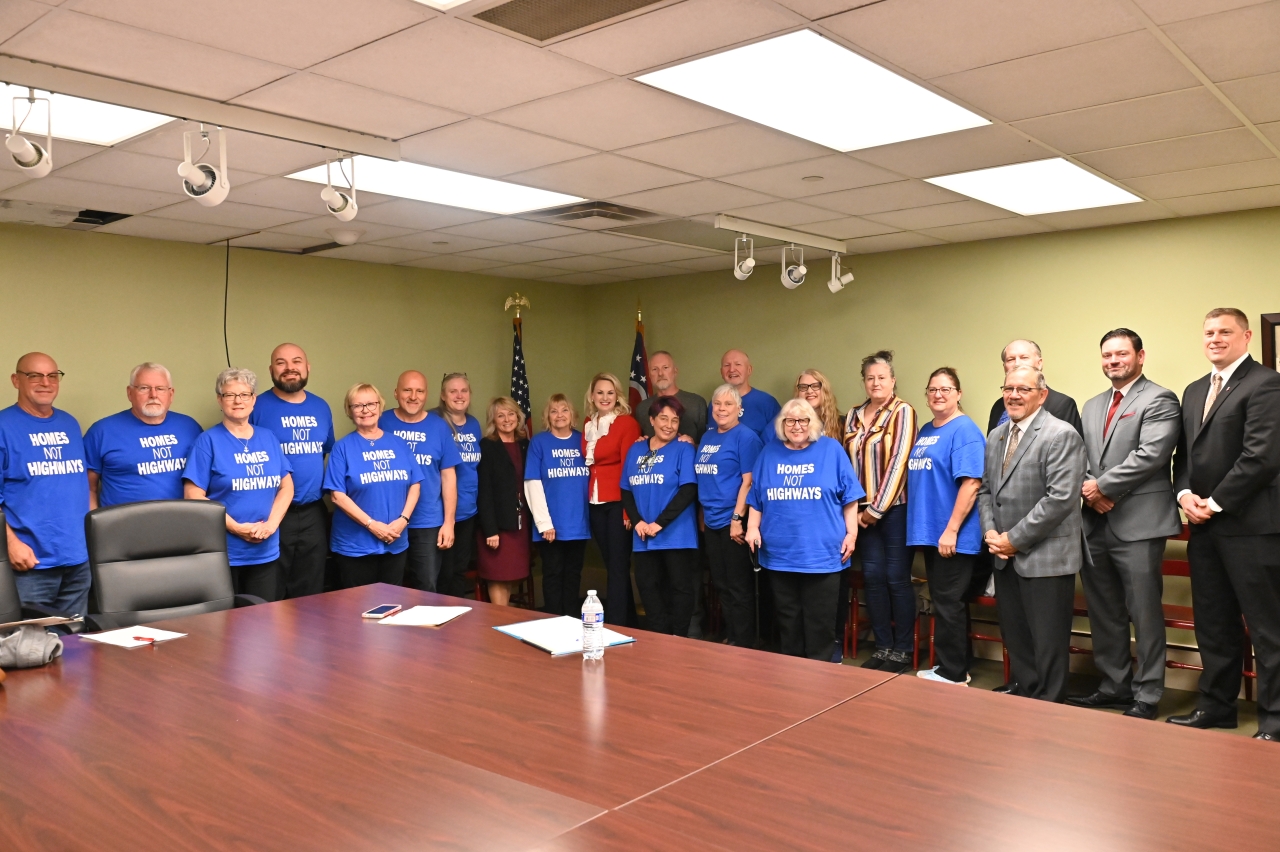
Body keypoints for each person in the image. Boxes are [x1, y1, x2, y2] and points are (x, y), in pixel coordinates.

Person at [1168, 308, 1280, 738]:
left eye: (1225, 332)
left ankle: (1274, 721)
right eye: (1209, 332)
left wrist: (1212, 503)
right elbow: (1184, 458)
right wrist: (1183, 496)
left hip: (1253, 530)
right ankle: (1216, 708)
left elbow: (1261, 458)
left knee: (1268, 630)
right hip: (1204, 530)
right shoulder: (1196, 390)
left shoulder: (1266, 383)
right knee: (1214, 625)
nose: (1215, 338)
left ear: (1246, 336)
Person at [1068, 329, 1180, 720]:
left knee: (1144, 613)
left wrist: (1101, 486)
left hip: (1138, 524)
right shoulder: (1093, 404)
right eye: (1107, 355)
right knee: (1105, 611)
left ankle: (1147, 694)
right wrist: (1089, 490)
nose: (1113, 361)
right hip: (1095, 522)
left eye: (1121, 354)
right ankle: (1113, 686)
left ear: (1140, 356)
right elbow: (1079, 453)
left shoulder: (1160, 398)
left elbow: (1152, 454)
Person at [978, 365, 1087, 703]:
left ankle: (1051, 706)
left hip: (1046, 556)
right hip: (1004, 555)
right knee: (1017, 636)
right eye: (1009, 388)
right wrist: (992, 533)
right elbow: (985, 491)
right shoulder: (996, 437)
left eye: (1023, 389)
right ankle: (1026, 696)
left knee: (1048, 640)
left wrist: (1014, 540)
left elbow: (1060, 500)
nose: (1014, 395)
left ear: (1041, 395)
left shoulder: (1061, 433)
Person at [746, 398, 863, 660]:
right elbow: (756, 498)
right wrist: (752, 527)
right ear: (782, 424)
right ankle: (791, 681)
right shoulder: (769, 453)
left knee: (819, 623)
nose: (796, 426)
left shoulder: (831, 450)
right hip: (779, 555)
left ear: (812, 423)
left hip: (822, 555)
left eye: (803, 420)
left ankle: (819, 682)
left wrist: (852, 534)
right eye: (790, 420)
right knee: (788, 623)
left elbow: (850, 498)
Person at [184, 368, 294, 601]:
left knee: (262, 619)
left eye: (244, 394)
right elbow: (193, 495)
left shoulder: (268, 438)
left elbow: (287, 487)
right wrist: (237, 528)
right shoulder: (207, 442)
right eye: (229, 395)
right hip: (224, 552)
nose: (237, 401)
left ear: (253, 399)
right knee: (226, 625)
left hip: (265, 549)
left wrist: (271, 525)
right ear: (219, 400)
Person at [906, 368, 985, 686]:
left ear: (959, 393)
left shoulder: (964, 430)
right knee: (943, 600)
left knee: (948, 602)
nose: (938, 394)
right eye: (932, 389)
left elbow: (971, 483)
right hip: (930, 532)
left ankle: (954, 673)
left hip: (953, 535)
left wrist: (951, 529)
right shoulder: (926, 429)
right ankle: (950, 666)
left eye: (946, 389)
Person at [0, 353, 91, 616]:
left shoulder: (69, 423)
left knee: (75, 644)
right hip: (30, 564)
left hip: (77, 558)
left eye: (52, 375)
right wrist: (10, 544)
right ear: (16, 380)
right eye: (35, 375)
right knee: (30, 649)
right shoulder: (4, 426)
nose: (45, 382)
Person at [845, 351, 918, 673]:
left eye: (882, 377)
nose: (876, 383)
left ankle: (902, 650)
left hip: (894, 509)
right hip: (859, 512)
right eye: (870, 378)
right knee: (872, 579)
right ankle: (883, 646)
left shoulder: (903, 411)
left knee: (896, 578)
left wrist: (875, 510)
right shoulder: (852, 415)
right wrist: (854, 511)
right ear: (864, 382)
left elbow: (899, 463)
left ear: (893, 380)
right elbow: (847, 466)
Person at [249, 343, 334, 599]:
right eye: (281, 363)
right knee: (271, 589)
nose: (290, 369)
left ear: (307, 368)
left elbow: (324, 451)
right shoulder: (256, 406)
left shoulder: (321, 407)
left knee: (311, 588)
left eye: (296, 362)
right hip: (271, 513)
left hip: (313, 512)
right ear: (271, 369)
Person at [323, 384, 421, 588]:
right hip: (355, 546)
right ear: (349, 411)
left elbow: (415, 484)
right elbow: (337, 495)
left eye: (370, 404)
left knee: (392, 607)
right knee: (358, 610)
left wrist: (403, 520)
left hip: (395, 541)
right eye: (357, 405)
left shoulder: (399, 444)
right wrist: (372, 525)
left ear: (380, 406)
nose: (365, 410)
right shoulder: (342, 447)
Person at [621, 396, 700, 635]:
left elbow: (688, 490)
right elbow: (626, 489)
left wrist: (659, 523)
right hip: (644, 535)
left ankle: (678, 638)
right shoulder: (636, 449)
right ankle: (658, 638)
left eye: (675, 420)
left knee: (679, 589)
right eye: (663, 418)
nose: (669, 425)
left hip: (676, 534)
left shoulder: (683, 449)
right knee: (647, 588)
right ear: (652, 420)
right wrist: (639, 523)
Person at [379, 370, 460, 592]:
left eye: (420, 391)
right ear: (396, 393)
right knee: (386, 590)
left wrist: (449, 522)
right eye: (407, 390)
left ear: (426, 395)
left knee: (426, 587)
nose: (413, 396)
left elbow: (449, 476)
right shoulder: (380, 421)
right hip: (387, 522)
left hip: (427, 522)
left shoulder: (439, 427)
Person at [696, 384, 763, 647]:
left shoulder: (746, 437)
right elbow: (704, 477)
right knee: (721, 584)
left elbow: (749, 482)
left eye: (728, 404)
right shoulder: (708, 436)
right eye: (717, 404)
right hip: (711, 521)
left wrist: (737, 519)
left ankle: (743, 642)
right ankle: (732, 635)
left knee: (738, 587)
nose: (721, 409)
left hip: (734, 521)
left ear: (739, 409)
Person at [84, 363, 204, 509]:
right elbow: (88, 488)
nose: (153, 395)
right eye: (144, 388)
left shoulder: (190, 427)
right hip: (123, 527)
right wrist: (94, 528)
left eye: (160, 389)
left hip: (182, 524)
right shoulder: (102, 431)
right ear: (129, 393)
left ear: (171, 394)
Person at [793, 368, 847, 659]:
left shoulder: (841, 424)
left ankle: (833, 643)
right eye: (803, 386)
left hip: (834, 518)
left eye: (816, 386)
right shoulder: (788, 425)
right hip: (799, 521)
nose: (809, 391)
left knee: (831, 590)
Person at [583, 372, 642, 626]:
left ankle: (616, 625)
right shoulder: (588, 423)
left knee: (618, 565)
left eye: (610, 392)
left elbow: (631, 468)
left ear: (617, 396)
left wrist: (630, 511)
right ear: (592, 396)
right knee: (611, 564)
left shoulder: (627, 423)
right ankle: (627, 618)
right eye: (600, 392)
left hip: (618, 503)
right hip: (595, 503)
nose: (605, 397)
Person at [525, 394, 590, 616]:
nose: (559, 415)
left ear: (572, 414)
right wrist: (544, 523)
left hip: (579, 525)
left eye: (564, 410)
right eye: (554, 411)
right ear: (547, 416)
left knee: (573, 575)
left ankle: (571, 621)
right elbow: (532, 483)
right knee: (553, 575)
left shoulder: (584, 441)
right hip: (551, 526)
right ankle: (553, 621)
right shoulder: (539, 442)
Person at [429, 373, 483, 599]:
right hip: (439, 512)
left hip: (468, 510)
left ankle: (459, 621)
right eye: (453, 391)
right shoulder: (432, 421)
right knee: (443, 573)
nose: (459, 396)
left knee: (459, 570)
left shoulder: (474, 424)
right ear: (443, 395)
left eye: (464, 391)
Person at [476, 397, 531, 607]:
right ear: (493, 420)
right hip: (497, 524)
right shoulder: (487, 446)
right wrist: (490, 530)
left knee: (511, 574)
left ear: (518, 416)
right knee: (498, 575)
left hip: (520, 522)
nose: (507, 419)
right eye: (500, 415)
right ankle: (500, 623)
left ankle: (505, 620)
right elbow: (484, 491)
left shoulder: (525, 444)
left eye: (510, 414)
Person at [985, 339, 1083, 436]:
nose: (1017, 364)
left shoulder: (1061, 404)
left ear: (1039, 363)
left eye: (1024, 357)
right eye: (1011, 359)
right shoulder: (998, 406)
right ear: (1004, 367)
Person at [709, 349, 781, 441]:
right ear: (721, 372)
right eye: (727, 365)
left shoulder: (767, 402)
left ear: (749, 370)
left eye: (738, 364)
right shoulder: (714, 405)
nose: (731, 369)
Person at [635, 351, 707, 440]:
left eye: (665, 368)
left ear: (675, 371)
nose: (660, 373)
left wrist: (693, 446)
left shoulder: (696, 403)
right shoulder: (642, 408)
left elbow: (707, 443)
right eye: (654, 369)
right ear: (649, 375)